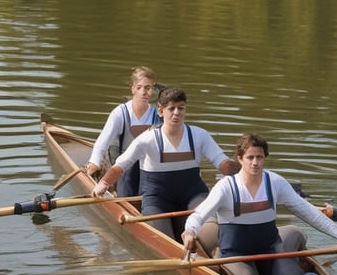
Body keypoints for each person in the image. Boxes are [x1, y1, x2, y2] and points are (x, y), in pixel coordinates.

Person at [181, 132, 337, 275]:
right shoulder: (226, 187)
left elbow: (309, 212)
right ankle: (220, 257)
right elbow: (198, 215)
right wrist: (189, 232)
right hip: (235, 254)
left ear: (265, 157)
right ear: (240, 159)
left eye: (259, 157)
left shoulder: (275, 182)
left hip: (270, 249)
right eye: (250, 157)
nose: (255, 163)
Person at [92, 87, 241, 240]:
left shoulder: (199, 135)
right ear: (161, 111)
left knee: (212, 234)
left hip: (194, 196)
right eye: (172, 108)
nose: (176, 113)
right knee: (163, 240)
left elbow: (223, 164)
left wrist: (245, 167)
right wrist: (103, 183)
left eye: (181, 108)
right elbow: (121, 165)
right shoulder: (147, 139)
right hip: (157, 200)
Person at [86, 66, 162, 197]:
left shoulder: (157, 115)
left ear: (152, 90)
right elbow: (102, 143)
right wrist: (93, 165)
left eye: (148, 88)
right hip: (124, 166)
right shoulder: (120, 113)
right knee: (127, 192)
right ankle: (116, 189)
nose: (144, 92)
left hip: (147, 166)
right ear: (132, 89)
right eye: (139, 87)